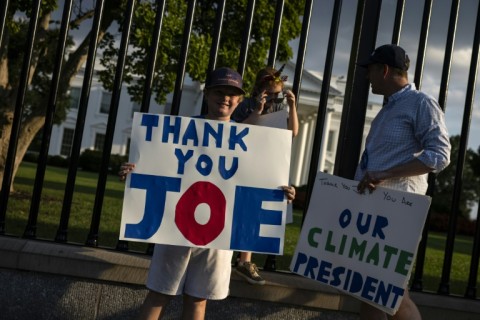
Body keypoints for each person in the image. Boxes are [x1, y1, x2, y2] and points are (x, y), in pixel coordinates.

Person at [119, 67, 296, 320]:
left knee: (198, 300)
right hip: (174, 230)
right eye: (219, 92)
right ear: (207, 94)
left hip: (220, 233)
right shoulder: (178, 130)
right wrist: (134, 172)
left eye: (232, 94)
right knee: (160, 294)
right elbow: (157, 165)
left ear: (240, 99)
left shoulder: (251, 138)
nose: (225, 98)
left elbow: (259, 178)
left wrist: (282, 193)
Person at [355, 44, 451, 320]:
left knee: (389, 292)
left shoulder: (421, 103)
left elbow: (439, 155)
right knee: (371, 289)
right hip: (375, 210)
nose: (367, 77)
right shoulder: (390, 109)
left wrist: (385, 175)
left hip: (397, 210)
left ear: (384, 70)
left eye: (370, 70)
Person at [231, 65, 299, 285]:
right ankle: (231, 255)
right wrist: (257, 111)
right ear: (258, 90)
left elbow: (292, 133)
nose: (272, 98)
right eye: (269, 93)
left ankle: (244, 260)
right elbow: (236, 131)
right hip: (244, 163)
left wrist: (292, 106)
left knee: (254, 210)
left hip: (267, 164)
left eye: (276, 94)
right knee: (237, 208)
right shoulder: (247, 106)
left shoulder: (280, 108)